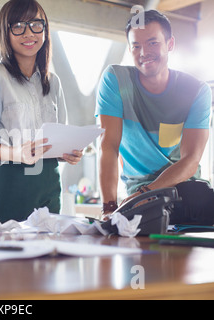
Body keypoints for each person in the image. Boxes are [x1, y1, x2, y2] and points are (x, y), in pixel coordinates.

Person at [96, 9, 214, 225]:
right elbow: (108, 147)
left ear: (169, 44)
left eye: (152, 43)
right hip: (140, 202)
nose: (144, 52)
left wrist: (147, 192)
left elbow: (191, 160)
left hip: (186, 194)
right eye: (136, 46)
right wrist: (109, 208)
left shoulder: (197, 90)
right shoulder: (115, 80)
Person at [0, 0, 82, 223]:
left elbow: (58, 137)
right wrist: (17, 153)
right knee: (4, 255)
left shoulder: (54, 83)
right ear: (5, 32)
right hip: (7, 188)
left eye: (35, 24)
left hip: (48, 187)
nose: (28, 33)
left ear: (45, 29)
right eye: (18, 26)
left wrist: (67, 152)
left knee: (47, 254)